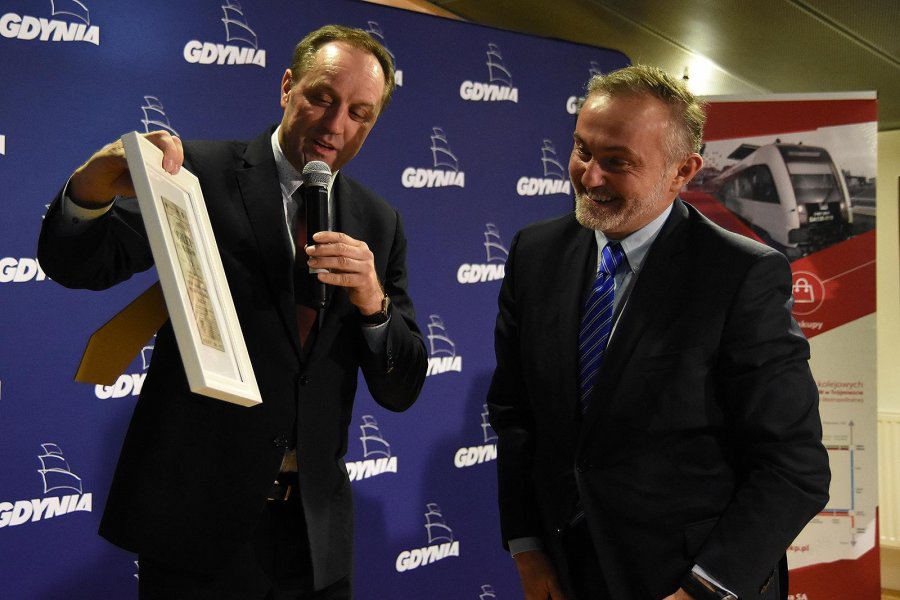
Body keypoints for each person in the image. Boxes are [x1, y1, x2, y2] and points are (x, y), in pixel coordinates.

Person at [38, 25, 427, 600]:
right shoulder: (194, 172)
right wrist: (90, 187)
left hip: (314, 538)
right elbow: (84, 266)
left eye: (359, 113)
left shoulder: (379, 221)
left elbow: (401, 385)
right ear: (287, 87)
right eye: (322, 97)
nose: (336, 125)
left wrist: (373, 305)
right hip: (198, 526)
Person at [486, 64, 830, 600]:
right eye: (582, 151)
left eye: (617, 162)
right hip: (569, 571)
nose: (590, 176)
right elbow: (515, 415)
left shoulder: (740, 275)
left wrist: (704, 589)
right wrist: (527, 546)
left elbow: (793, 465)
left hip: (693, 580)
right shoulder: (535, 253)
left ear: (682, 170)